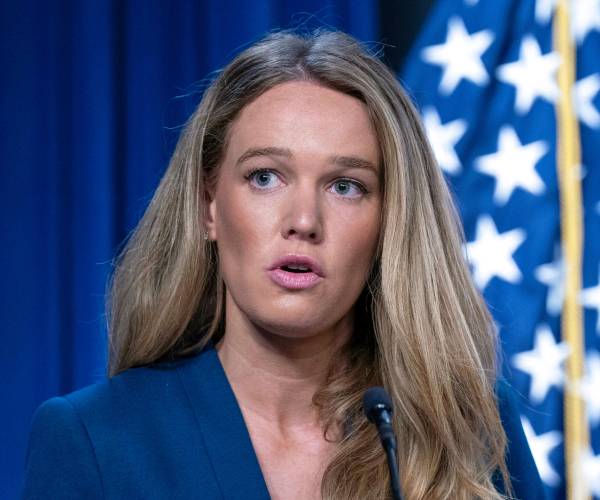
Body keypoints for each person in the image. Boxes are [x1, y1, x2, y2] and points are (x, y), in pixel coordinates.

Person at [22, 30, 544, 499]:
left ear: (390, 222)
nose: (303, 221)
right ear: (208, 206)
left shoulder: (469, 425)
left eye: (346, 186)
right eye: (265, 177)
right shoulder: (95, 439)